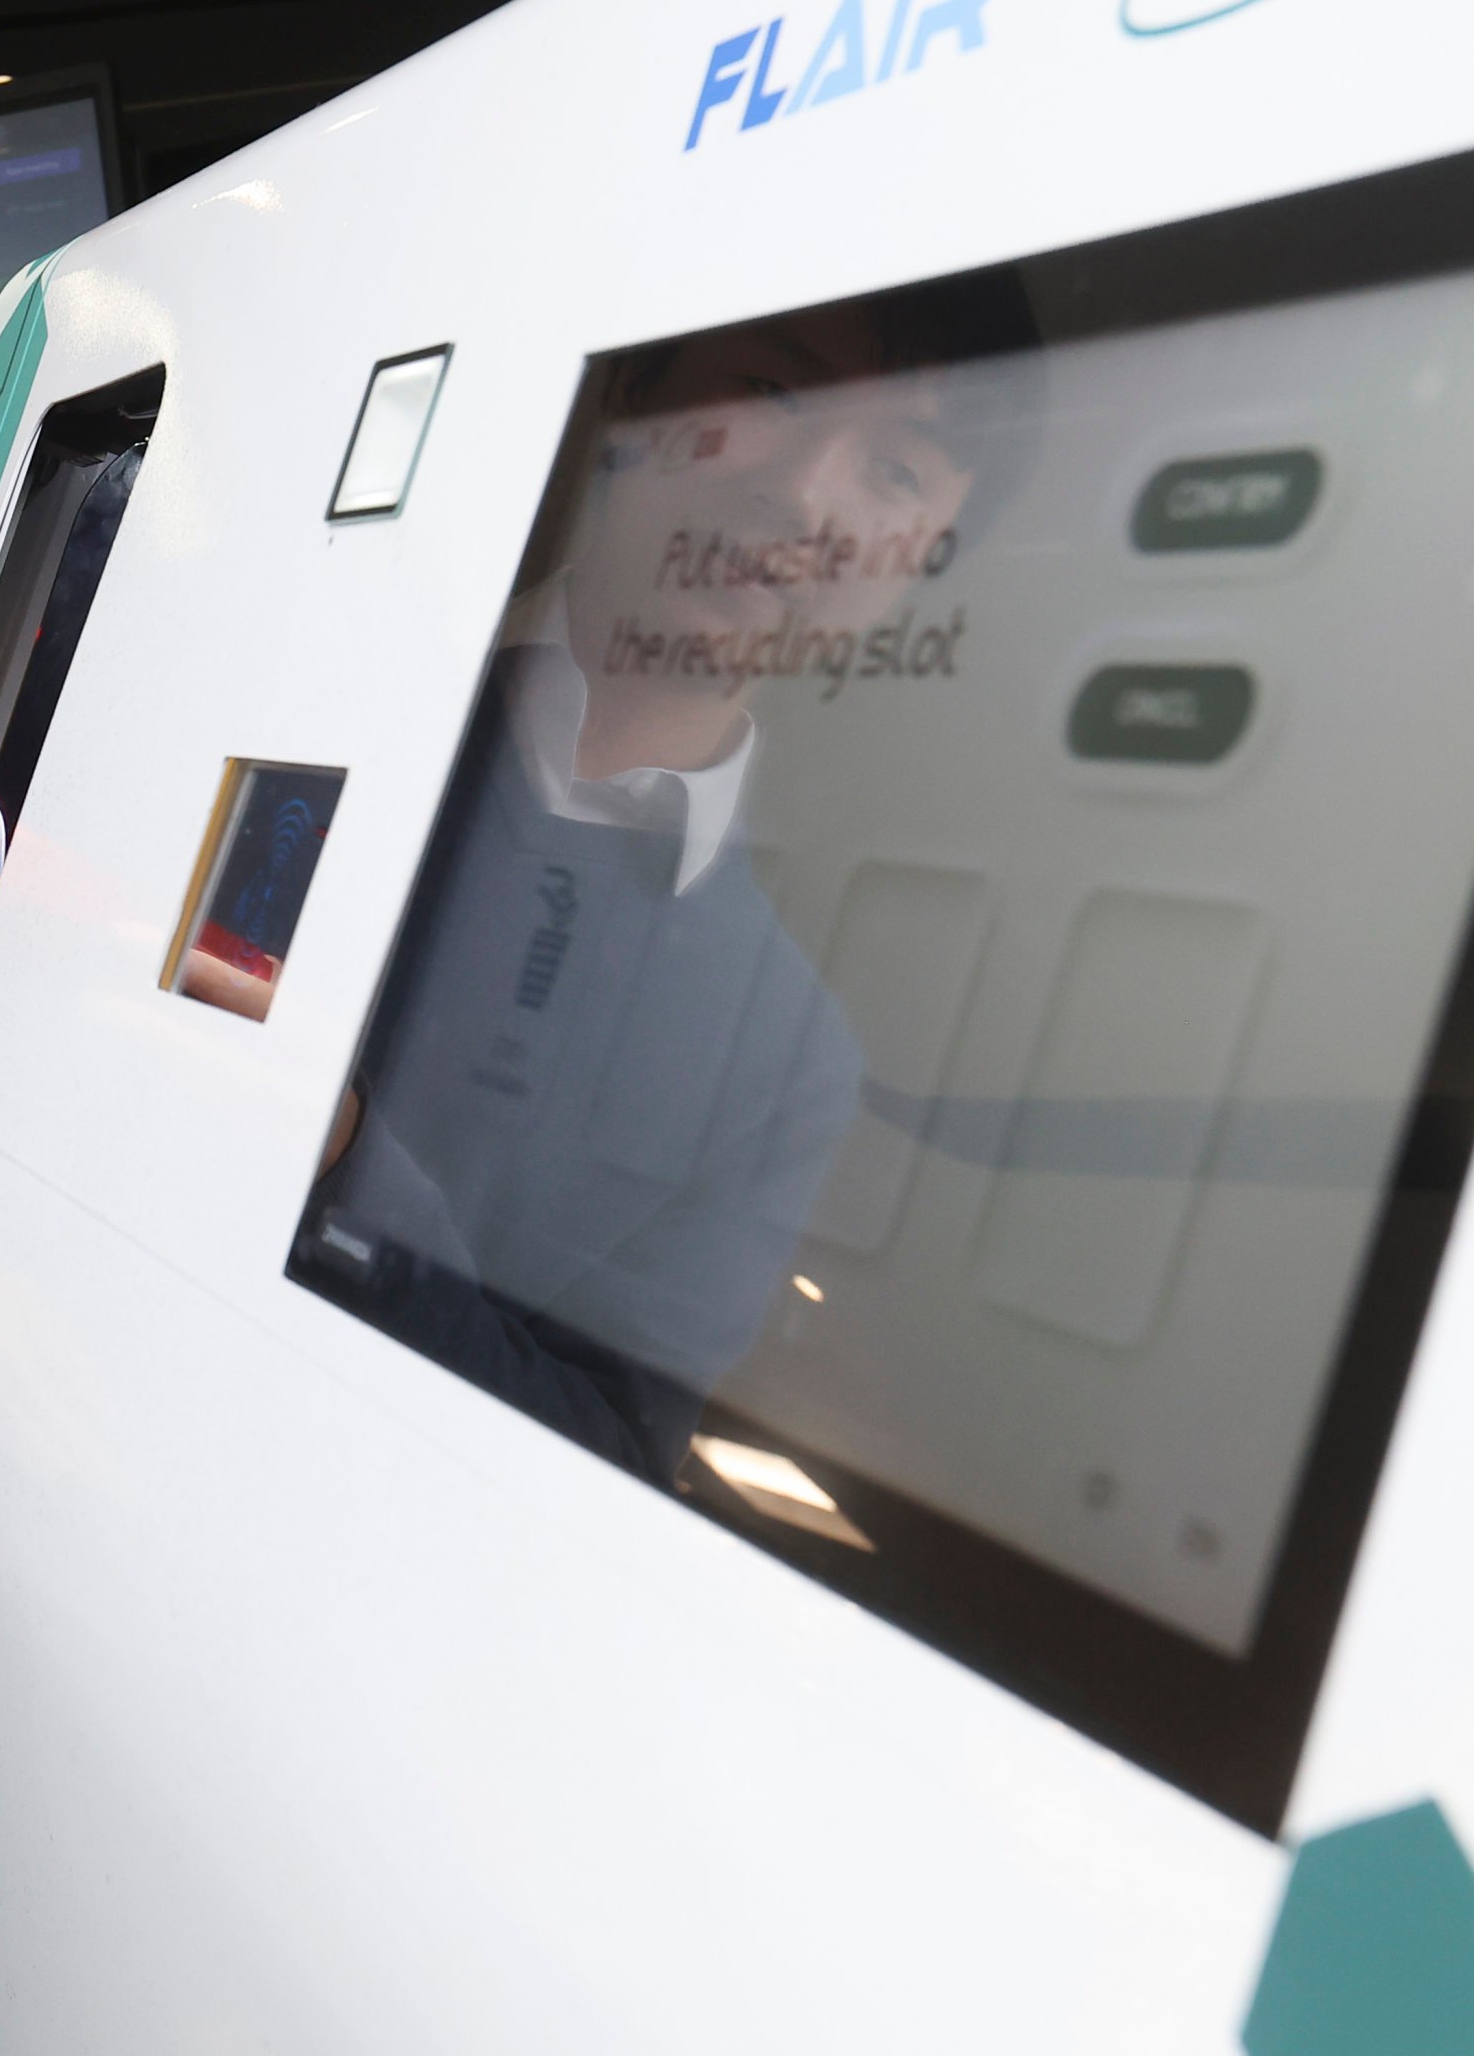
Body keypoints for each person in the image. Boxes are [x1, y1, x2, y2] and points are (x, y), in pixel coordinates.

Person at [289, 296, 1021, 1487]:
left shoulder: (789, 1056)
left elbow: (600, 1449)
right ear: (633, 393)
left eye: (892, 471)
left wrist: (345, 1170)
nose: (803, 494)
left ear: (914, 574)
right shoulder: (314, 682)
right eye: (775, 398)